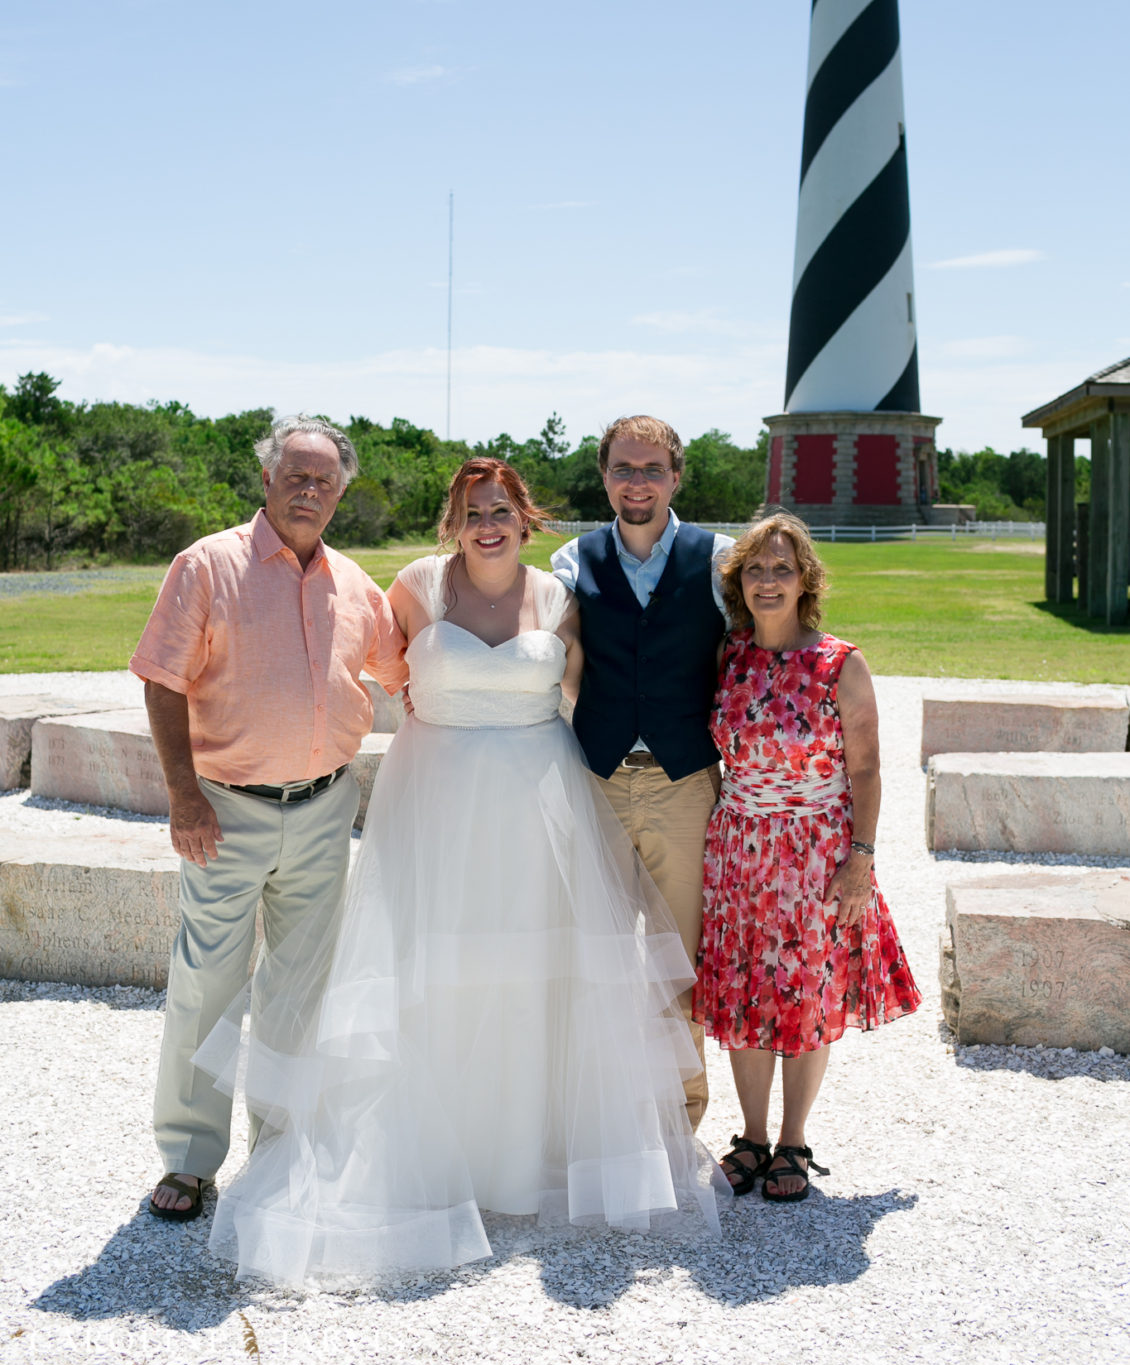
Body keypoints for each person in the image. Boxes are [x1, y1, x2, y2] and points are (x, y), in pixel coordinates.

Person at [196, 457, 722, 1287]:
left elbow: (592, 690)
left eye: (502, 509)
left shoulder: (559, 598)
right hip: (434, 799)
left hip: (536, 801)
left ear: (525, 517)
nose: (488, 522)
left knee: (532, 975)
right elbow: (355, 659)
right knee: (432, 970)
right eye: (473, 509)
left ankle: (523, 1158)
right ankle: (441, 1159)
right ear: (454, 518)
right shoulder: (413, 587)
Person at [132, 415, 407, 1222]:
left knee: (299, 989)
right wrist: (183, 795)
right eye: (295, 474)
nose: (309, 489)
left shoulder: (356, 586)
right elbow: (161, 681)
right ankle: (188, 1159)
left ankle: (280, 1152)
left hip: (325, 809)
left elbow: (404, 666)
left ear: (342, 492)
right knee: (206, 985)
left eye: (323, 480)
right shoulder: (208, 564)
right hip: (223, 809)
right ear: (267, 479)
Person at [693, 512, 921, 1203]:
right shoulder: (728, 655)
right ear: (740, 581)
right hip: (737, 848)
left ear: (805, 580)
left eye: (782, 568)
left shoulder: (838, 662)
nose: (768, 581)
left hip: (813, 851)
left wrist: (862, 857)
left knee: (802, 993)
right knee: (741, 990)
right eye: (756, 569)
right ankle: (752, 1136)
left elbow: (869, 769)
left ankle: (793, 1139)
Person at [551, 415, 733, 1130]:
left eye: (652, 468)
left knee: (674, 959)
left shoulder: (719, 560)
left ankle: (678, 1116)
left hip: (683, 783)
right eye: (623, 468)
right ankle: (592, 1112)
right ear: (604, 475)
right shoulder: (571, 561)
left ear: (676, 475)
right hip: (592, 781)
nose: (637, 482)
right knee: (587, 952)